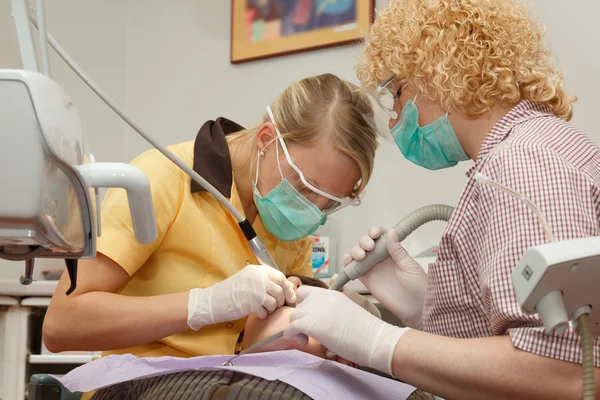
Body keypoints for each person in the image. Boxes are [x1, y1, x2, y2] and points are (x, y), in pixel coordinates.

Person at [282, 1, 600, 399]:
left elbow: (566, 373)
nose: (396, 117)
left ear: (437, 68)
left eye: (396, 93)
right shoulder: (530, 150)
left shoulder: (523, 163)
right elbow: (521, 348)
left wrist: (379, 341)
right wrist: (425, 310)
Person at [42, 74, 378, 364]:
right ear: (266, 140)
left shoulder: (288, 225)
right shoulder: (162, 178)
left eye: (328, 203)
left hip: (236, 382)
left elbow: (263, 341)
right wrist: (204, 305)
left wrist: (337, 329)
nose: (311, 210)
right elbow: (61, 326)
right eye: (305, 187)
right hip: (138, 382)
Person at [64, 276, 428, 400]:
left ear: (346, 358)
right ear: (239, 340)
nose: (293, 287)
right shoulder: (151, 378)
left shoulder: (356, 386)